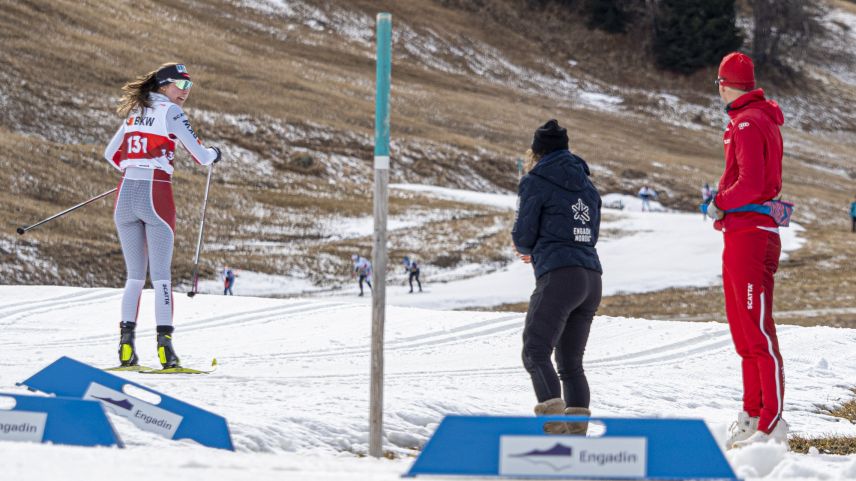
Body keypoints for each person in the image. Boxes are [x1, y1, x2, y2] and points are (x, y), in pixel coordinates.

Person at [104, 63, 221, 369]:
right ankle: (165, 352)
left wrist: (134, 169)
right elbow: (200, 155)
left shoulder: (135, 111)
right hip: (156, 194)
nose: (185, 94)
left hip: (125, 193)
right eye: (181, 87)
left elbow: (110, 154)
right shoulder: (171, 112)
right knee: (161, 278)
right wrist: (215, 153)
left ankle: (126, 350)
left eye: (189, 88)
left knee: (133, 277)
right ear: (164, 86)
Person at [706, 52, 787, 449]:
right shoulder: (753, 119)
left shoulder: (747, 121)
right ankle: (753, 414)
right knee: (744, 333)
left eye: (717, 83)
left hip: (750, 232)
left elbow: (752, 184)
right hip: (743, 232)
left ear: (725, 83)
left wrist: (720, 199)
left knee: (756, 332)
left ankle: (769, 422)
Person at [512, 119, 603, 435]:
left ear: (537, 152)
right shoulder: (588, 185)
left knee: (535, 352)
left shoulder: (535, 180)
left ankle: (556, 436)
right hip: (591, 277)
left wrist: (529, 248)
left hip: (560, 276)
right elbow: (589, 233)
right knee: (570, 365)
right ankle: (576, 440)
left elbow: (524, 235)